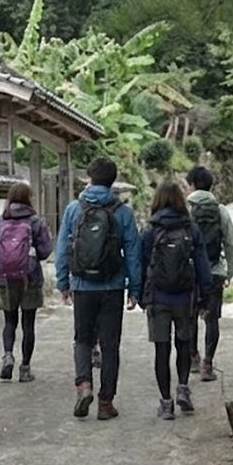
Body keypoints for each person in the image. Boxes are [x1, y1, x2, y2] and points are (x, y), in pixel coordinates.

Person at [54, 157, 143, 420]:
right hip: (112, 287)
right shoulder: (123, 212)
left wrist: (63, 283)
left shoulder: (73, 209)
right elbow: (133, 253)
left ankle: (83, 385)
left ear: (89, 179)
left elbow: (62, 249)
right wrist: (135, 289)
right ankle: (106, 403)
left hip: (82, 285)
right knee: (110, 345)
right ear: (113, 181)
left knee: (82, 339)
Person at [139, 180, 213, 420]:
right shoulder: (191, 229)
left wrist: (140, 295)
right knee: (183, 344)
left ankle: (166, 403)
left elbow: (141, 264)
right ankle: (183, 388)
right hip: (186, 297)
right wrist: (206, 296)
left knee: (162, 350)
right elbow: (202, 265)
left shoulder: (151, 230)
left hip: (158, 297)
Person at [0, 182, 53, 383]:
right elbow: (46, 250)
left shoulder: (1, 220)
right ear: (28, 198)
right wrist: (30, 255)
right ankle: (25, 368)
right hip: (30, 279)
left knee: (9, 321)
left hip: (5, 278)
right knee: (28, 323)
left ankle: (7, 355)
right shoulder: (36, 221)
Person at [186, 165, 233, 382]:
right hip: (215, 271)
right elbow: (230, 243)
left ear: (191, 184)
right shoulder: (220, 210)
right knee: (212, 319)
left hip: (190, 273)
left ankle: (193, 358)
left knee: (189, 318)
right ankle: (208, 363)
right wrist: (229, 272)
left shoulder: (186, 208)